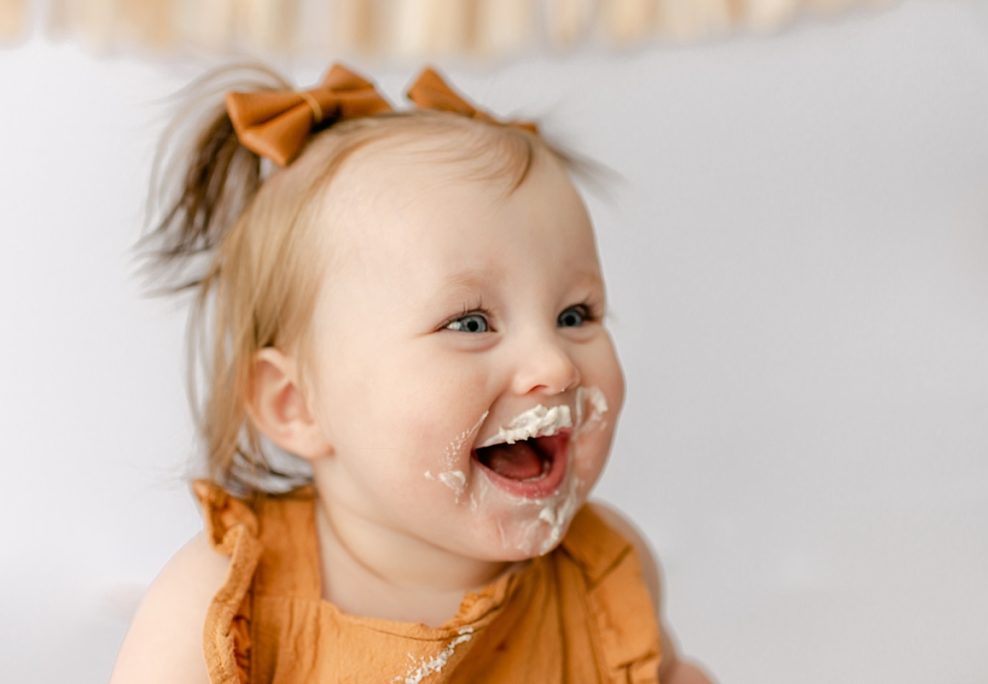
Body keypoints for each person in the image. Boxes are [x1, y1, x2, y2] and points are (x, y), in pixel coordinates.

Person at [110, 62, 714, 683]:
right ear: (297, 404)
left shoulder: (606, 572)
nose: (555, 365)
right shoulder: (224, 609)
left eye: (575, 313)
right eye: (471, 324)